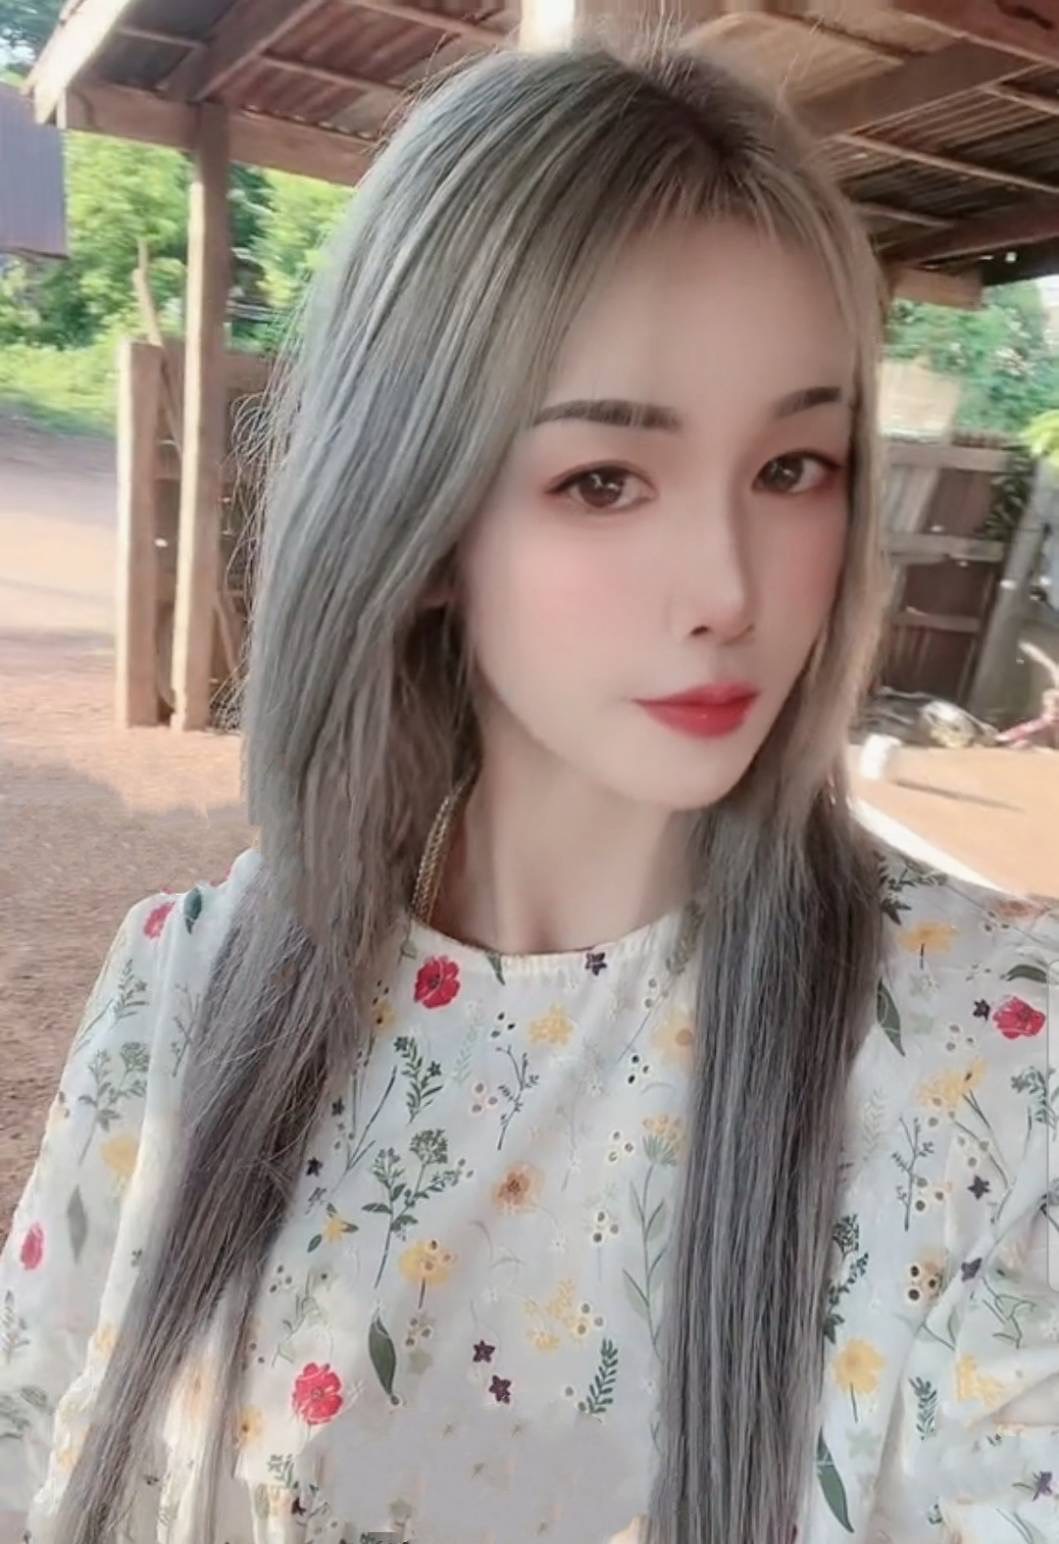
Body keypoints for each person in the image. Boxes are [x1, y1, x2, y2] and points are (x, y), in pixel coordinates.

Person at [2, 39, 1057, 1544]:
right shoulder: (178, 995)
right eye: (603, 480)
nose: (729, 589)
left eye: (794, 468)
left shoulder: (1003, 1063)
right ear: (423, 522)